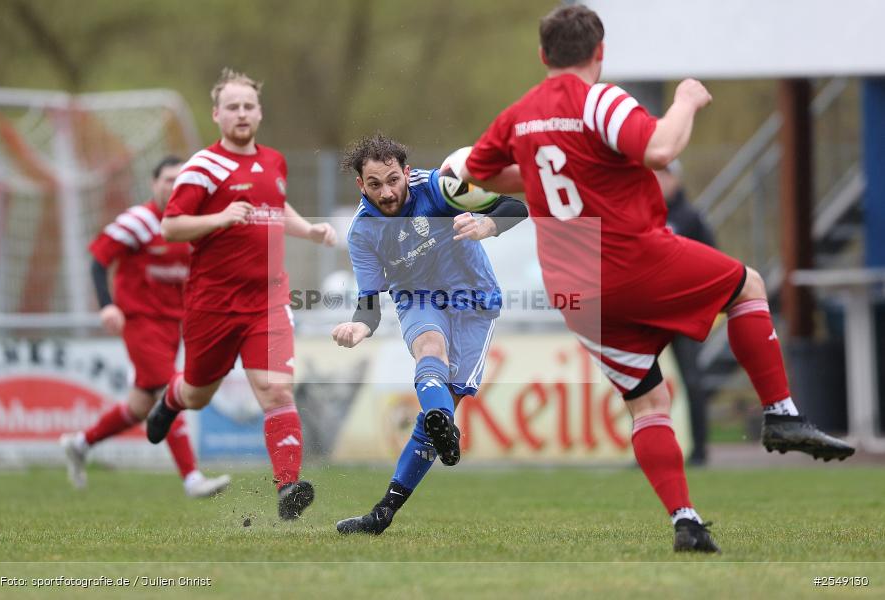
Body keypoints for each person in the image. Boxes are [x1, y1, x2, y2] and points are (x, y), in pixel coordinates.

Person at [460, 5, 854, 553]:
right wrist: (686, 99)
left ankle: (686, 521)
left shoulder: (519, 115)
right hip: (630, 259)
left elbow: (477, 172)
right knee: (748, 286)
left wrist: (543, 176)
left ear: (543, 55)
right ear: (600, 53)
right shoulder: (601, 100)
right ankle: (781, 413)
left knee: (648, 403)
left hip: (574, 291)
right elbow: (661, 148)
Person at [144, 68, 337, 521]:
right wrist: (220, 217)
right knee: (197, 394)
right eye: (232, 107)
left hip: (268, 300)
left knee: (276, 390)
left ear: (260, 112)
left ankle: (288, 487)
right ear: (217, 114)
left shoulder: (274, 162)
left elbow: (275, 207)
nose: (242, 113)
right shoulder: (203, 167)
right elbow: (171, 226)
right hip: (212, 305)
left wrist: (308, 230)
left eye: (249, 106)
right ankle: (171, 400)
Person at [331, 134, 527, 535]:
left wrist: (485, 226)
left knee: (437, 413)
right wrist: (358, 326)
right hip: (418, 298)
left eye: (392, 180)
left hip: (474, 299)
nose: (387, 193)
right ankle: (442, 427)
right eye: (375, 184)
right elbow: (369, 306)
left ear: (406, 173)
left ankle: (383, 513)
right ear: (361, 185)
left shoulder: (439, 186)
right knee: (429, 348)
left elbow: (515, 207)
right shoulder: (362, 232)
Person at [60, 156, 231, 499]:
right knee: (170, 392)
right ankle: (192, 478)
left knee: (140, 406)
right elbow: (98, 260)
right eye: (167, 179)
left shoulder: (193, 226)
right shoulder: (139, 221)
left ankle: (80, 444)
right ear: (154, 184)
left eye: (181, 180)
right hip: (139, 322)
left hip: (174, 326)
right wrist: (107, 305)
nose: (174, 186)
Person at [655, 161, 715, 466]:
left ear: (676, 179)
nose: (658, 180)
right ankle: (648, 450)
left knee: (692, 380)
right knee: (641, 384)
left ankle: (700, 451)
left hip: (681, 314)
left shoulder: (691, 218)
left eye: (663, 175)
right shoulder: (643, 214)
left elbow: (712, 260)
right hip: (650, 314)